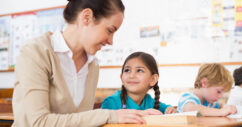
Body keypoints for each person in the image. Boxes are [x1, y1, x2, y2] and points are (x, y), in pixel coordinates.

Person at [12, 0, 161, 126]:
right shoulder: (36, 53)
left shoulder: (92, 65)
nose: (111, 41)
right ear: (87, 17)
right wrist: (110, 115)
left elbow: (82, 121)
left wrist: (138, 116)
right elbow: (39, 122)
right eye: (109, 30)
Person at [101, 52, 177, 114]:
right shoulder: (111, 103)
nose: (131, 75)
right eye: (127, 70)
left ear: (153, 79)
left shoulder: (150, 102)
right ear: (121, 77)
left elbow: (167, 109)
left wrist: (170, 110)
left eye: (139, 70)